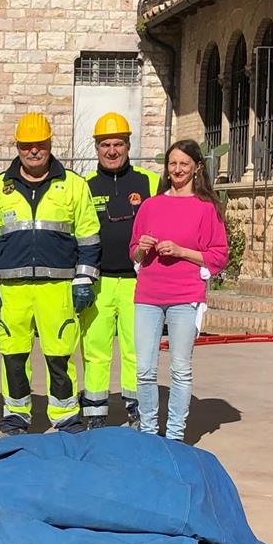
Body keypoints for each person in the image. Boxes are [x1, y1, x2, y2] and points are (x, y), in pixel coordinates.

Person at [0, 112, 100, 437]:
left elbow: (89, 237)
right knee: (13, 355)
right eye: (26, 145)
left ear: (50, 143)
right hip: (12, 289)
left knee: (59, 355)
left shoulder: (73, 185)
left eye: (40, 144)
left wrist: (84, 279)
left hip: (58, 287)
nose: (33, 151)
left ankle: (65, 416)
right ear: (17, 147)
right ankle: (15, 416)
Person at [130, 139, 228, 441]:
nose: (177, 169)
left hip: (185, 296)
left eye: (184, 164)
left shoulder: (206, 209)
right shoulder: (150, 205)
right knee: (144, 369)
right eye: (172, 163)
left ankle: (174, 435)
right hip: (148, 295)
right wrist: (142, 248)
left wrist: (181, 251)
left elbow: (218, 255)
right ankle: (148, 431)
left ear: (197, 167)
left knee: (180, 368)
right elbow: (134, 253)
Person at [80, 113, 160, 430]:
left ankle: (136, 410)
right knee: (95, 349)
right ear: (96, 148)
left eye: (118, 144)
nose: (112, 151)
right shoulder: (85, 186)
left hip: (137, 282)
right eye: (105, 145)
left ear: (128, 146)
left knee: (135, 350)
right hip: (98, 282)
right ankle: (95, 413)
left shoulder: (149, 182)